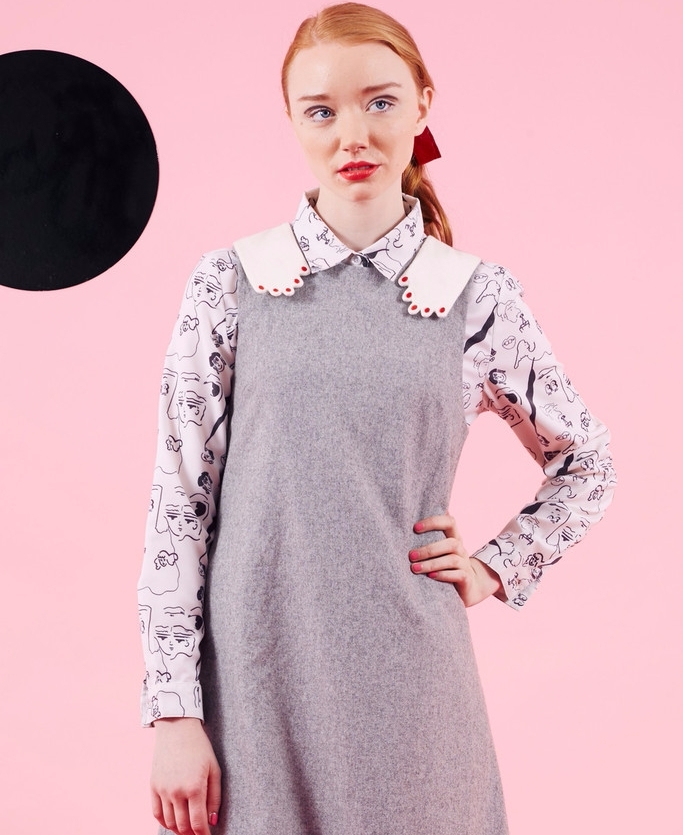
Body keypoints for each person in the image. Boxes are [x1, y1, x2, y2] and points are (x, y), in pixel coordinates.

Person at [137, 4, 616, 834]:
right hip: (253, 690)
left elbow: (588, 459)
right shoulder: (229, 282)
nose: (351, 134)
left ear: (423, 104)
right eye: (320, 110)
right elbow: (180, 503)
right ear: (291, 120)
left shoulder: (475, 294)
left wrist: (497, 564)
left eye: (380, 101)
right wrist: (173, 711)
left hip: (415, 696)